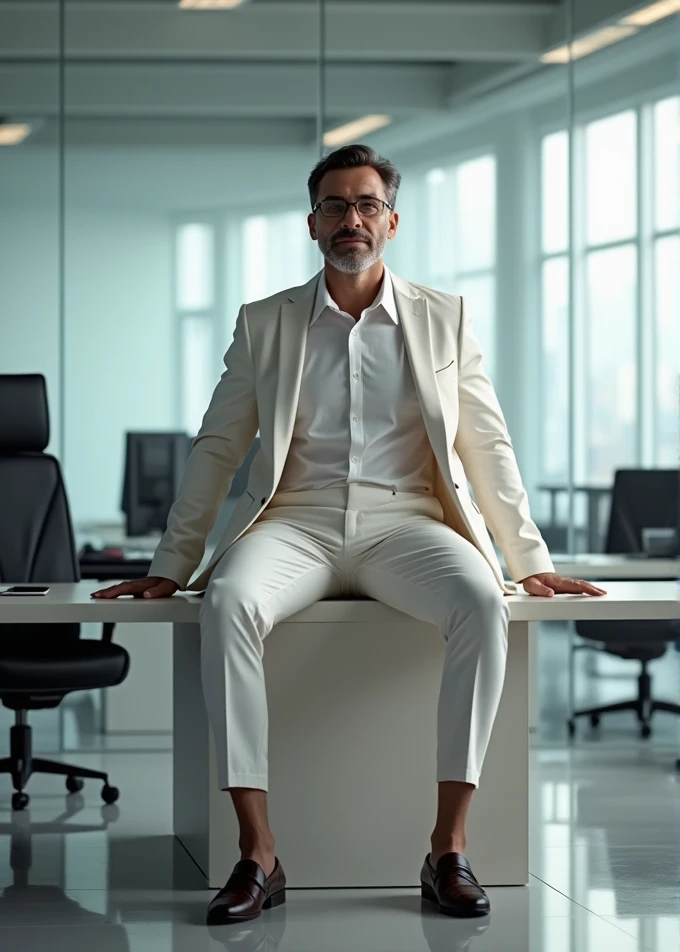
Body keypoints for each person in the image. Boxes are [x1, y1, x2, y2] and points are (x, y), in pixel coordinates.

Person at [92, 144, 606, 925]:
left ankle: (447, 849)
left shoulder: (443, 318)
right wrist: (174, 563)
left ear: (391, 222)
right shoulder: (266, 324)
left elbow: (485, 445)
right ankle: (259, 853)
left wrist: (528, 559)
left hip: (407, 521)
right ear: (312, 224)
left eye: (366, 205)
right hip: (293, 520)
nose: (351, 219)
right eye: (335, 205)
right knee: (227, 604)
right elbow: (219, 447)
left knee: (479, 600)